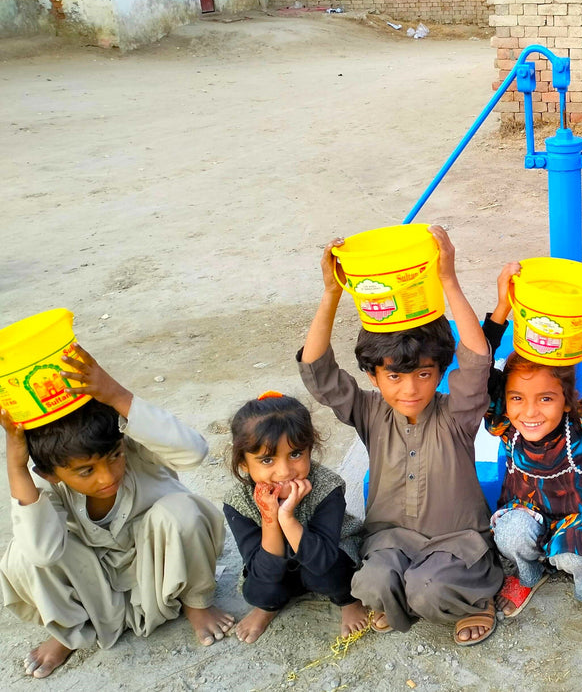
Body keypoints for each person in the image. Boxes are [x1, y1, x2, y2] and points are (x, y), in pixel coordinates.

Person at [297, 226, 502, 646]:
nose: (410, 389)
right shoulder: (369, 412)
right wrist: (332, 293)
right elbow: (319, 373)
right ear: (373, 376)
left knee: (430, 590)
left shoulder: (457, 414)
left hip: (456, 542)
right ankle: (400, 597)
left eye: (424, 374)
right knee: (371, 584)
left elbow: (477, 359)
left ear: (439, 373)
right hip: (390, 541)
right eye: (394, 376)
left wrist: (448, 279)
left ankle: (476, 602)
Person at [0, 345, 233, 679]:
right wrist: (16, 468)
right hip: (95, 591)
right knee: (21, 555)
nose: (107, 476)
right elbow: (41, 553)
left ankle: (196, 603)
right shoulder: (45, 485)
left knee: (182, 510)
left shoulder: (135, 444)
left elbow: (194, 452)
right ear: (50, 474)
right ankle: (68, 631)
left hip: (159, 573)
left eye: (114, 456)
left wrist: (117, 395)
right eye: (86, 471)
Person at [483, 263, 582, 621]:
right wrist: (502, 308)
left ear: (567, 400)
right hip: (530, 519)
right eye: (517, 398)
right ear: (505, 400)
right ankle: (529, 575)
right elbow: (479, 371)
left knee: (575, 554)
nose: (530, 412)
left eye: (545, 398)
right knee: (509, 534)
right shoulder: (506, 424)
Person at [223, 391, 367, 643]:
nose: (284, 471)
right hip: (277, 566)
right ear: (244, 464)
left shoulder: (327, 487)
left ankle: (348, 600)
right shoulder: (238, 501)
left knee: (326, 574)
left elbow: (323, 561)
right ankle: (270, 607)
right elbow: (262, 572)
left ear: (310, 449)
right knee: (258, 591)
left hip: (328, 561)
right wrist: (270, 518)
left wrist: (287, 517)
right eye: (267, 460)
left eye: (295, 454)